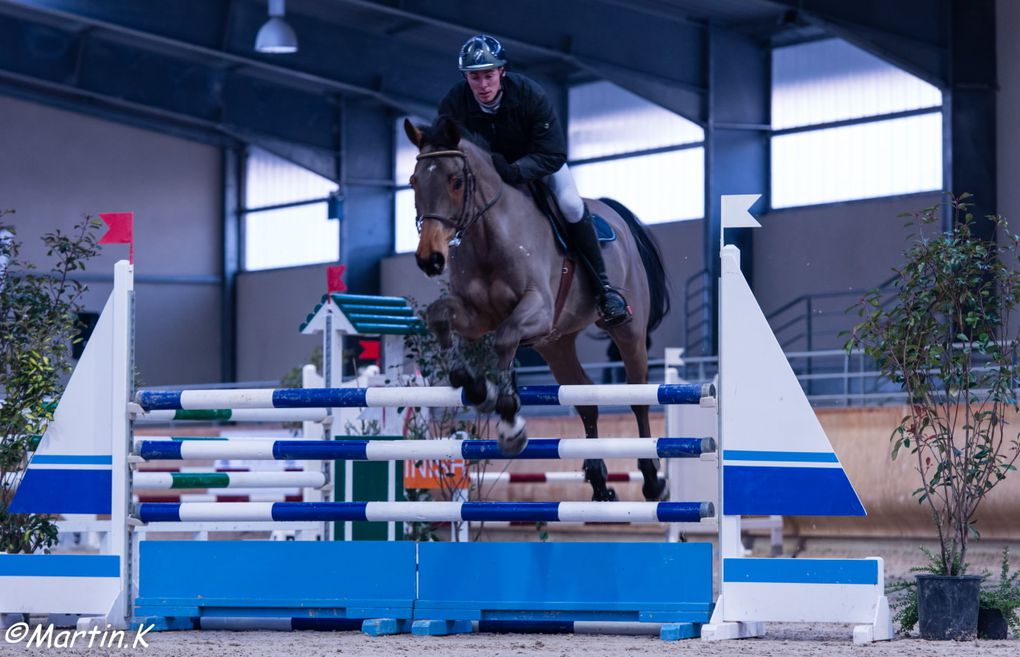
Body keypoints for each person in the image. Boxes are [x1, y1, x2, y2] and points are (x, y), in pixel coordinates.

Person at [437, 34, 632, 328]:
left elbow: (552, 153)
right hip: (487, 181)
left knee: (570, 205)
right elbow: (445, 150)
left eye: (489, 75)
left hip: (538, 167)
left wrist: (515, 171)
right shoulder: (454, 102)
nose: (483, 85)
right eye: (475, 77)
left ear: (502, 71)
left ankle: (604, 290)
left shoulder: (529, 94)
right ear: (466, 77)